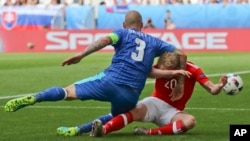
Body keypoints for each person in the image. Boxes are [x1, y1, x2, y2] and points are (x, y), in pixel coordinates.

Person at [4, 10, 187, 129]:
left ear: (125, 24)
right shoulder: (155, 42)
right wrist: (180, 83)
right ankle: (78, 130)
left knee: (67, 92)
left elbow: (104, 41)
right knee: (118, 116)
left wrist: (82, 55)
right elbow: (182, 54)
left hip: (109, 81)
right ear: (143, 26)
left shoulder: (122, 32)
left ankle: (36, 97)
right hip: (130, 93)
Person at [56, 52, 227, 137]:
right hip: (155, 102)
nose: (165, 74)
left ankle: (148, 132)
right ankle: (97, 130)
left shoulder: (193, 70)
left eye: (169, 72)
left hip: (173, 111)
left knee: (190, 121)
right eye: (163, 71)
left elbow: (212, 90)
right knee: (126, 112)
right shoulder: (156, 65)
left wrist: (220, 85)